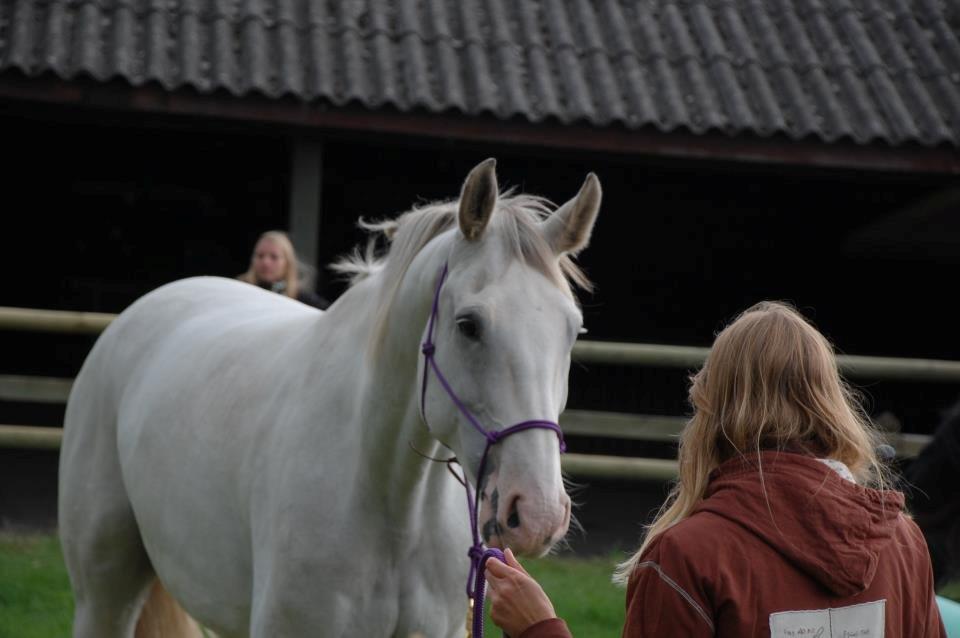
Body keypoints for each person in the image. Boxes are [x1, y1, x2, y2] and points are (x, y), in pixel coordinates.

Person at [486, 301, 946, 637]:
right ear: (828, 402)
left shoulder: (687, 557)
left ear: (711, 405)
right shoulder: (904, 543)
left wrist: (537, 629)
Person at [237, 230, 329, 309]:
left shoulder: (302, 299)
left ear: (287, 263)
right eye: (260, 256)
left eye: (274, 257)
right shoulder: (239, 290)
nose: (265, 262)